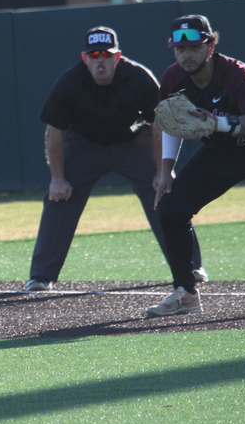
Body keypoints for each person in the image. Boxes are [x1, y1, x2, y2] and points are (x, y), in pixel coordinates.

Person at [24, 26, 204, 291]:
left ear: (117, 56)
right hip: (84, 145)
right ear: (85, 58)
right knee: (60, 197)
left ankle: (190, 267)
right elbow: (54, 132)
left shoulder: (138, 76)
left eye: (106, 55)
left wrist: (161, 171)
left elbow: (159, 124)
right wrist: (57, 179)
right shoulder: (70, 81)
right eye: (94, 55)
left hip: (131, 142)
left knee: (164, 192)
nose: (100, 60)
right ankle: (40, 276)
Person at [147, 14, 245, 317]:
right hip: (224, 153)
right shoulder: (172, 78)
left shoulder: (236, 72)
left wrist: (218, 123)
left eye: (194, 47)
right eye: (180, 49)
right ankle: (185, 294)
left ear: (210, 47)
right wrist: (166, 169)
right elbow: (169, 123)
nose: (186, 55)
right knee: (171, 209)